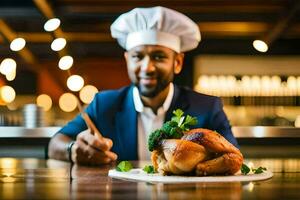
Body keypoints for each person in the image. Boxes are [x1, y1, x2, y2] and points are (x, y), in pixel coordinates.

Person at [48, 6, 239, 165]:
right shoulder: (105, 103)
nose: (147, 67)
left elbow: (233, 157)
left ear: (178, 62)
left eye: (159, 57)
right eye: (137, 57)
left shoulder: (207, 107)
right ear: (127, 60)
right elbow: (55, 143)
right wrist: (73, 149)